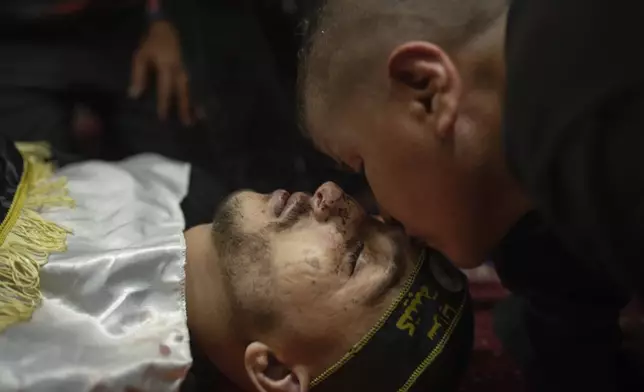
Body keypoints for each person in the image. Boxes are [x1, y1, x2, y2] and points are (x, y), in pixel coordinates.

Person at [298, 0, 644, 390]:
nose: (385, 216)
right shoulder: (535, 208)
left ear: (425, 89)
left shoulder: (587, 125)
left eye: (361, 164)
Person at [0, 135, 473, 391]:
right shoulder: (192, 192)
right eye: (372, 219)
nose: (333, 197)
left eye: (354, 257)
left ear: (275, 371)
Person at [0, 0, 194, 161]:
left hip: (128, 33)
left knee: (176, 173)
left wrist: (161, 18)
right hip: (16, 44)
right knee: (36, 190)